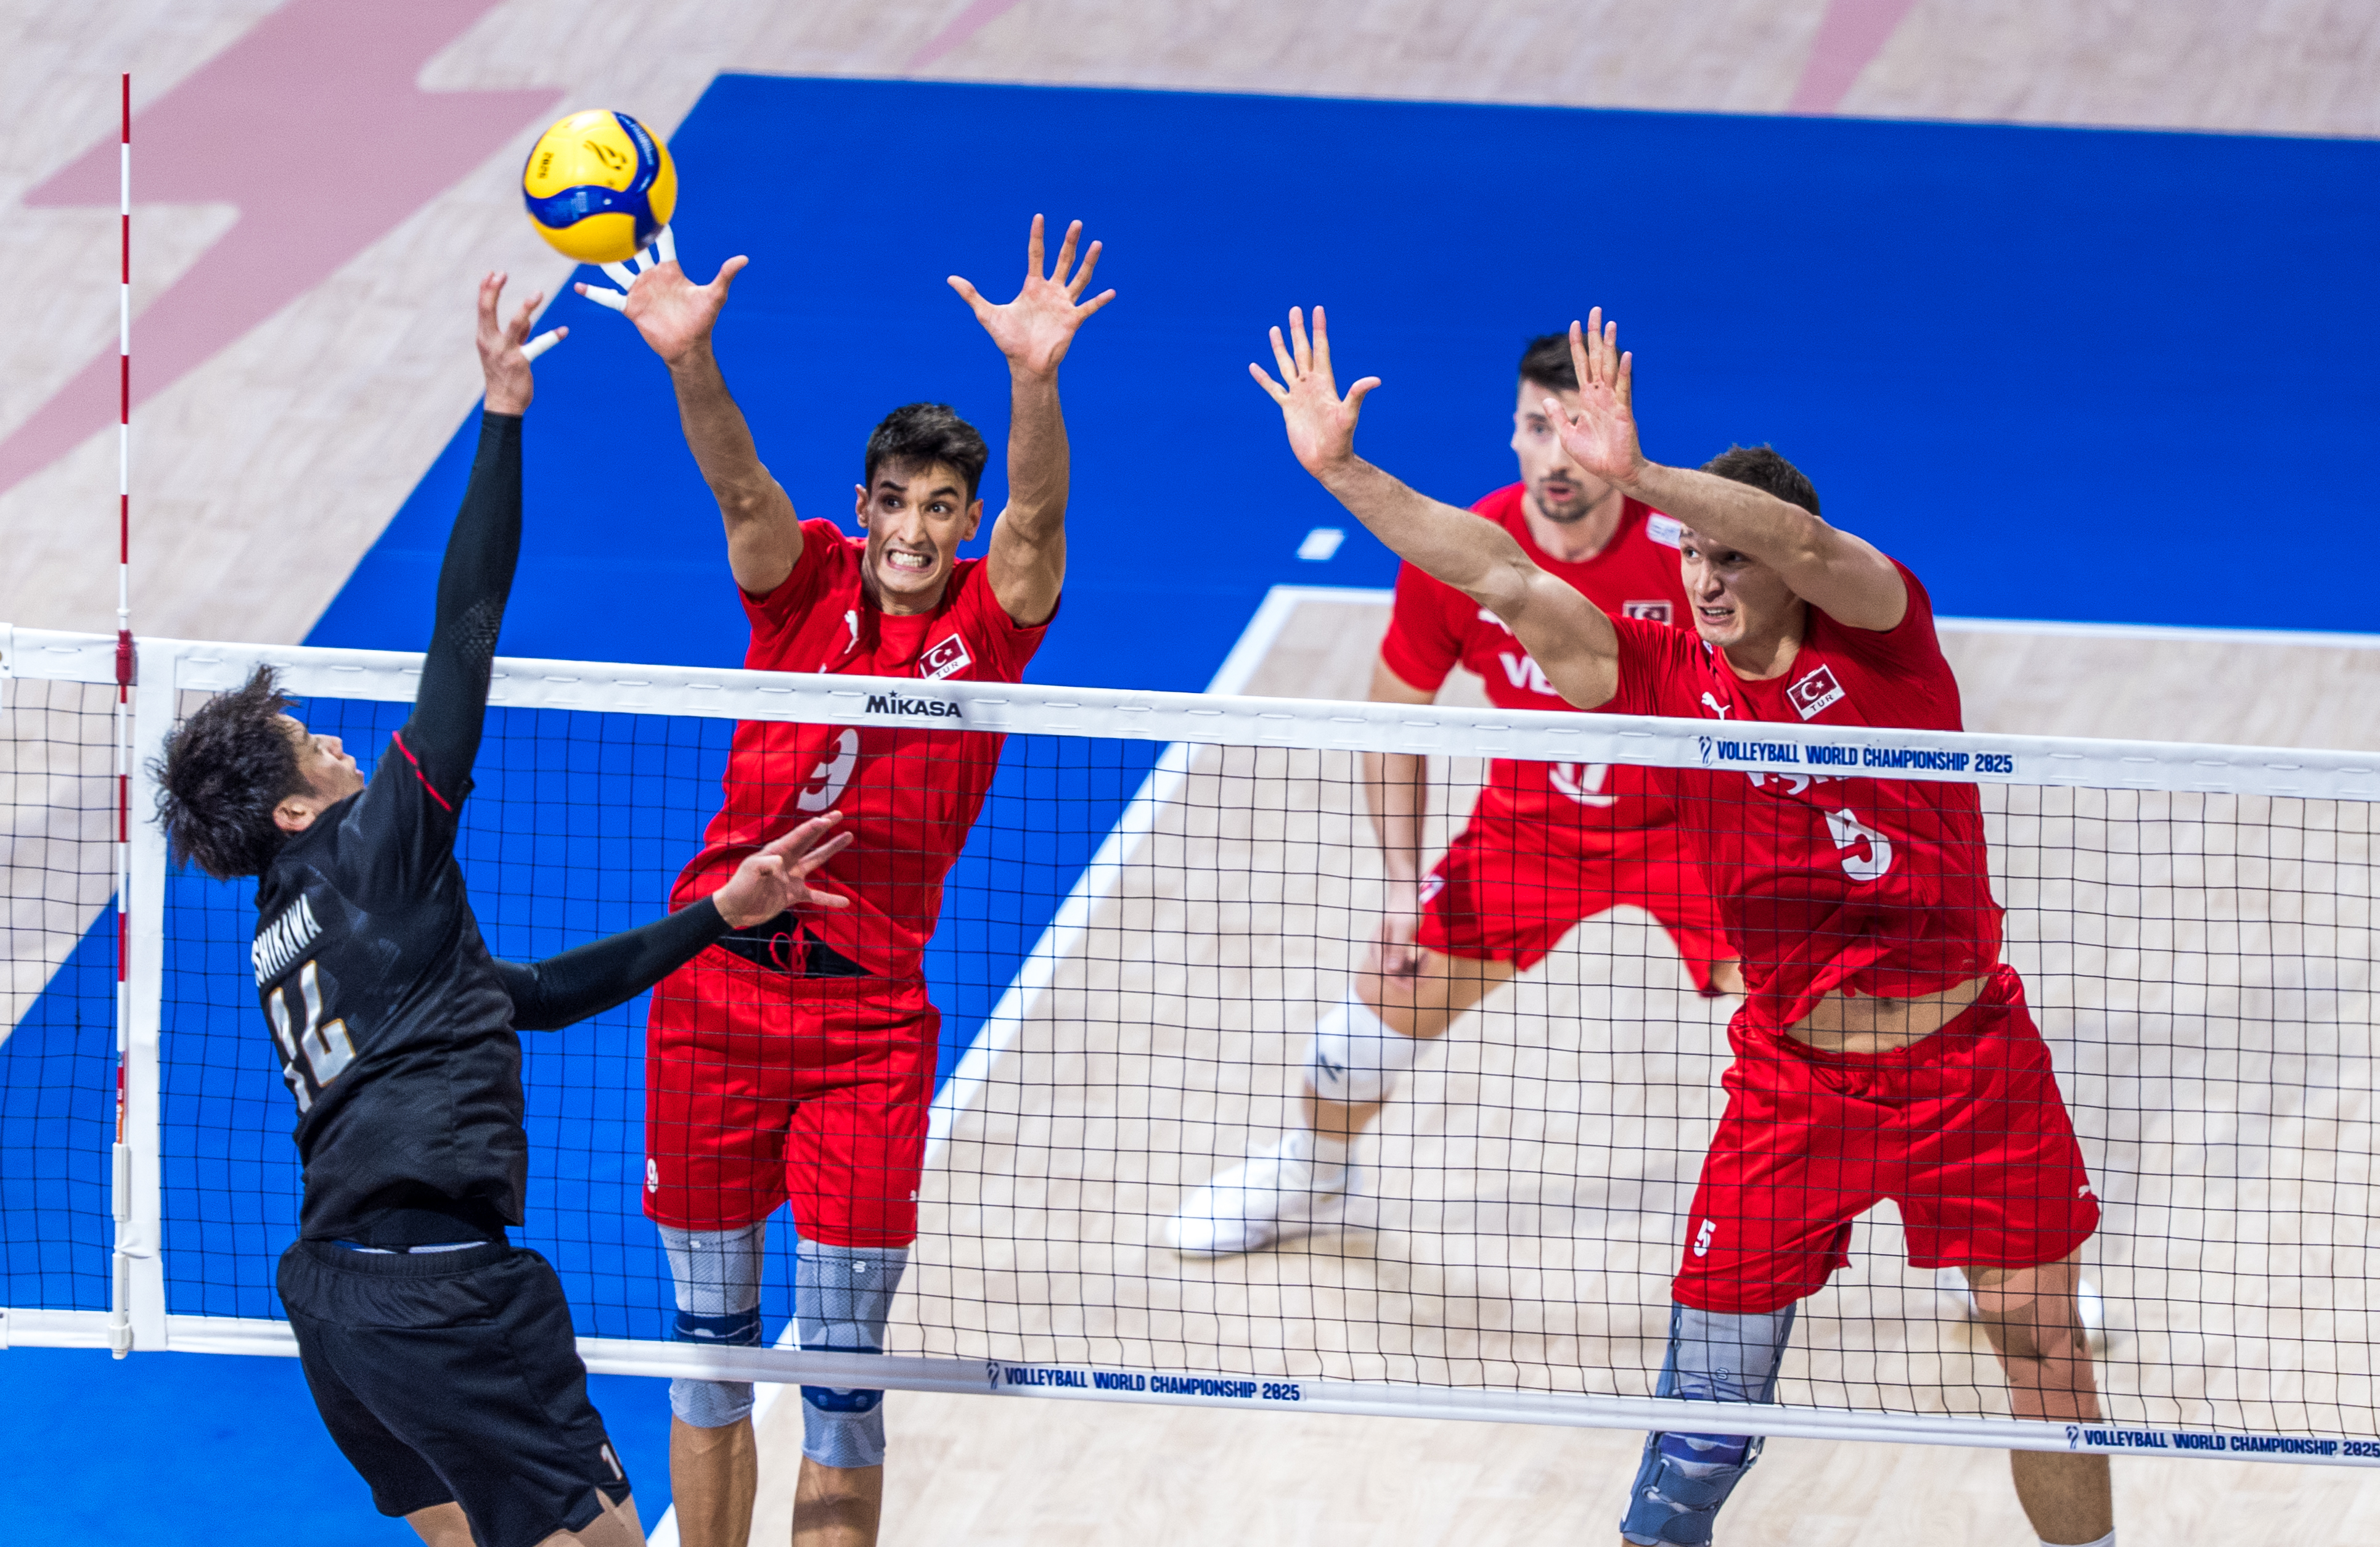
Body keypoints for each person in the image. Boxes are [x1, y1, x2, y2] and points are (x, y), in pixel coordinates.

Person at [1250, 306, 2114, 1547]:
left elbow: (1808, 538)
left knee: (2046, 1366)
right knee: (1698, 1428)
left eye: (1729, 558)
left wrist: (1645, 474)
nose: (1704, 580)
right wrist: (1342, 472)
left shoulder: (1886, 645)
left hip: (1971, 1071)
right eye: (1692, 558)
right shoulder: (1658, 674)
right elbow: (1495, 574)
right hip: (1795, 1087)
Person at [149, 278, 853, 1547]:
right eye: (308, 744)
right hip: (449, 1297)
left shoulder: (282, 926)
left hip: (336, 1303)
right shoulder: (375, 852)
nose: (333, 740)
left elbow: (526, 998)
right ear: (295, 809)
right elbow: (463, 630)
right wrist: (503, 410)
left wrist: (720, 913)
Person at [578, 216, 1110, 1547]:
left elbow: (1040, 521)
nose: (914, 527)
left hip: (866, 1026)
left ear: (963, 522)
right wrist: (689, 360)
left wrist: (1032, 378)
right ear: (863, 506)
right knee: (708, 1353)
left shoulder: (991, 624)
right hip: (711, 998)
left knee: (841, 1379)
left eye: (941, 506)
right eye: (895, 500)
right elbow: (738, 488)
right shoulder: (801, 581)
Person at [1169, 334, 1737, 1256]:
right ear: (1511, 433)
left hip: (1698, 830)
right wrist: (1402, 883)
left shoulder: (1691, 554)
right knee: (1364, 1028)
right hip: (1531, 833)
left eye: (1576, 429)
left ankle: (1965, 1238)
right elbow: (1395, 718)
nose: (1556, 455)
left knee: (1834, 1014)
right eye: (1536, 427)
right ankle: (1313, 1175)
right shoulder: (1467, 551)